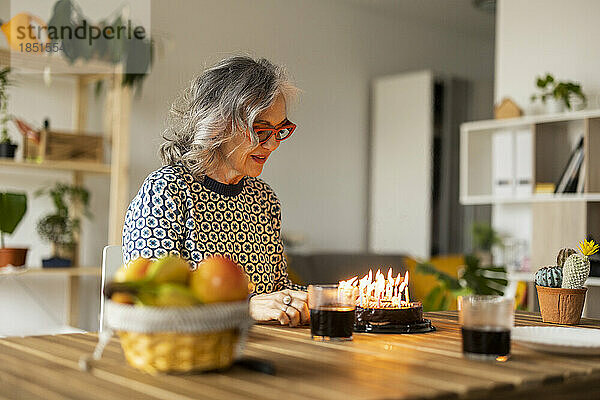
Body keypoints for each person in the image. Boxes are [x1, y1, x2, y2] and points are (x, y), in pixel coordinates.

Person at [122, 56, 309, 326]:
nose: (272, 145)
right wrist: (244, 308)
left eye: (280, 130)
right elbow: (151, 300)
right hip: (191, 353)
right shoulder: (166, 191)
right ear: (219, 123)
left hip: (260, 348)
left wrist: (324, 297)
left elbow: (277, 290)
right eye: (261, 129)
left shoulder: (263, 199)